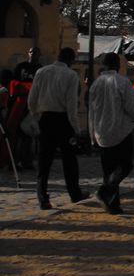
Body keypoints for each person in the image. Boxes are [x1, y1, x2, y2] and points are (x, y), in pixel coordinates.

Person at [28, 47, 88, 210]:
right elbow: (71, 106)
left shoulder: (42, 72)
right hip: (63, 120)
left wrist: (36, 117)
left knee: (44, 161)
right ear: (70, 60)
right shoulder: (71, 75)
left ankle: (43, 198)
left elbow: (32, 98)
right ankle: (74, 193)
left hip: (45, 118)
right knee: (69, 160)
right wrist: (76, 128)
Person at [88, 53, 134, 214]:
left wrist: (92, 134)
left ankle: (112, 203)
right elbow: (131, 107)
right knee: (125, 165)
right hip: (120, 130)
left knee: (108, 169)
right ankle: (106, 190)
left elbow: (91, 111)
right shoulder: (122, 82)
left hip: (101, 131)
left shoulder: (96, 84)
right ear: (118, 65)